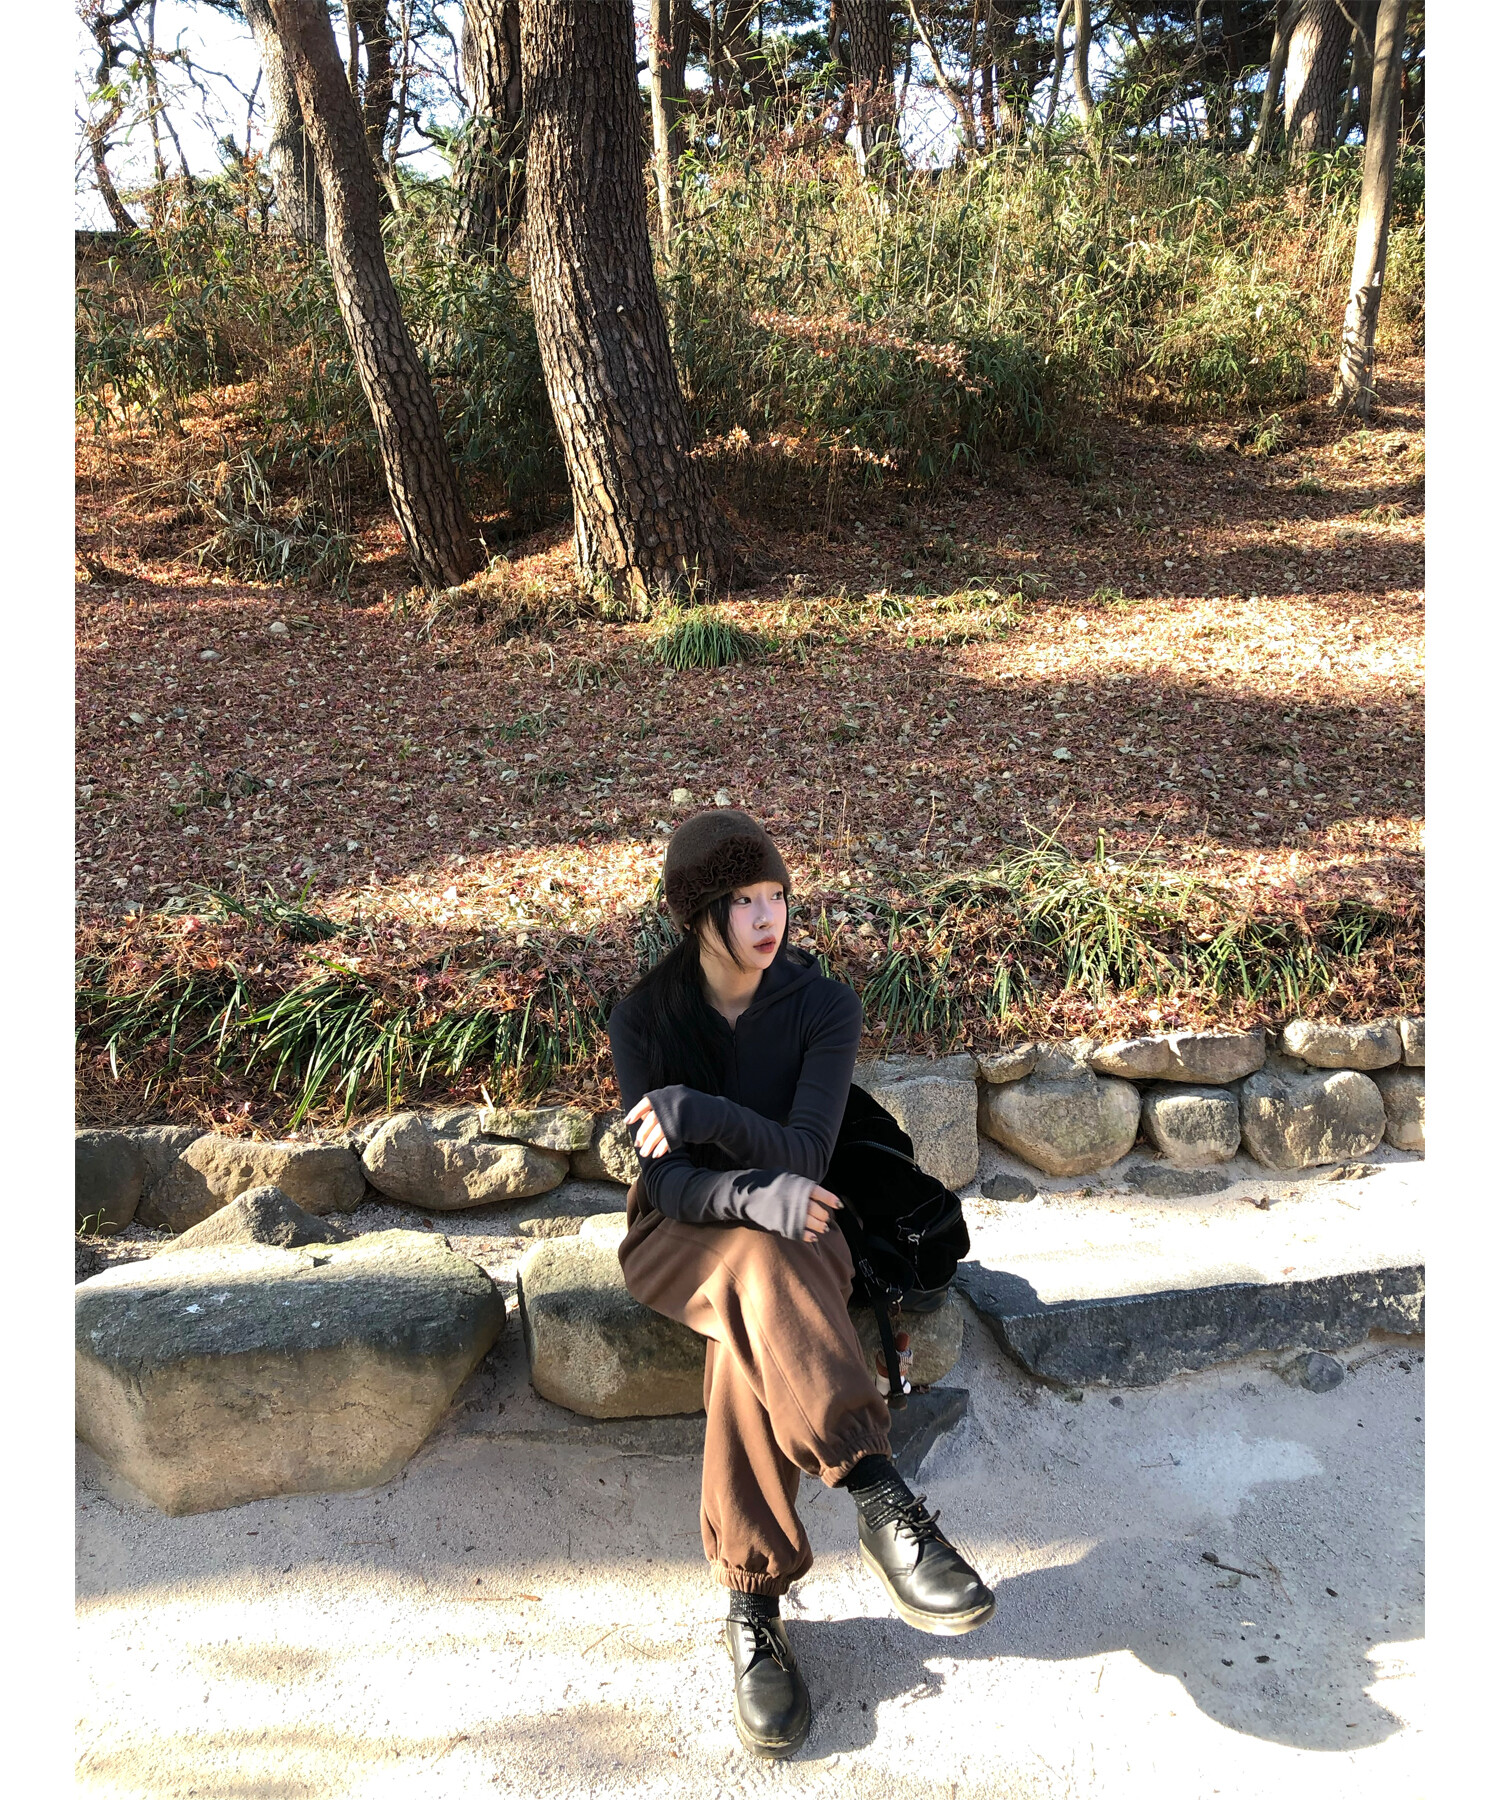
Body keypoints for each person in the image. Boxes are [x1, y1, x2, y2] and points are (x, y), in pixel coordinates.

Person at [607, 808, 994, 1759]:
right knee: (753, 1258)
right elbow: (668, 1185)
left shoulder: (824, 1007)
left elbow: (808, 1154)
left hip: (804, 1220)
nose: (766, 917)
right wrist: (748, 1192)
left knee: (753, 1313)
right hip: (679, 1231)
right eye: (742, 900)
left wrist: (703, 1112)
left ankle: (753, 1607)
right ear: (695, 913)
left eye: (776, 895)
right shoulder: (645, 1017)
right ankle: (876, 1488)